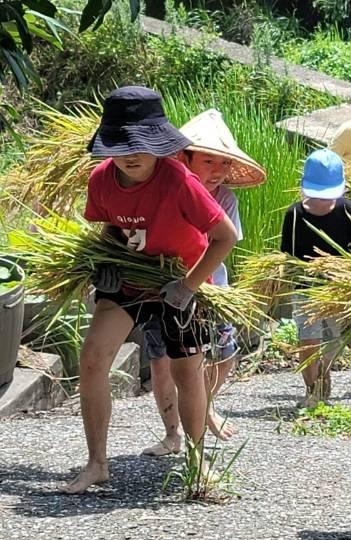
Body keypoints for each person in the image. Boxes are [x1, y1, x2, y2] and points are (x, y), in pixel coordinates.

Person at [64, 86, 239, 494]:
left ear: (160, 144)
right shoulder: (102, 180)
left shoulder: (178, 181)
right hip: (129, 280)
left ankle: (198, 460)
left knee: (186, 372)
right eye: (123, 145)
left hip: (180, 279)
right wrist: (105, 262)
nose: (132, 154)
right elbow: (110, 226)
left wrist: (188, 285)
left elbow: (224, 237)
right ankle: (97, 463)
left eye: (142, 145)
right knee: (91, 359)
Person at [140, 108, 266, 456]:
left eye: (224, 164)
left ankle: (204, 404)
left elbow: (220, 245)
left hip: (211, 290)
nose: (218, 171)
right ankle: (171, 434)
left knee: (225, 354)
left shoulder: (226, 198)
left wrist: (193, 286)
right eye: (209, 161)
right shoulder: (162, 192)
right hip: (161, 288)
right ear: (184, 157)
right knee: (162, 359)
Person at [281, 149, 351, 408]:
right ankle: (311, 392)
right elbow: (287, 255)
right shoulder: (294, 214)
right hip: (306, 288)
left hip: (339, 287)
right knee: (309, 338)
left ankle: (323, 374)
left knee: (337, 338)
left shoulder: (349, 210)